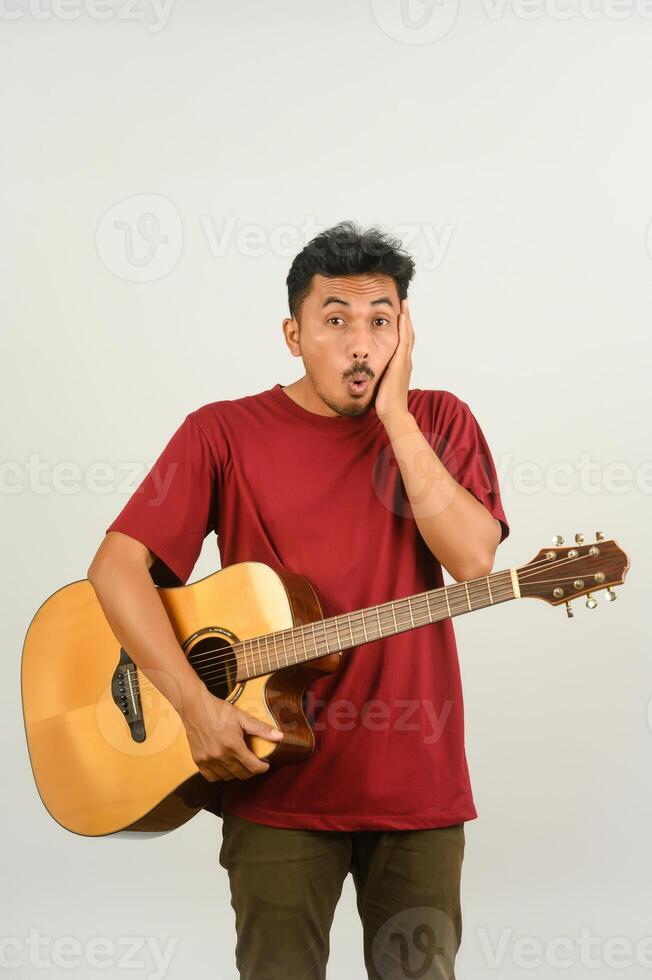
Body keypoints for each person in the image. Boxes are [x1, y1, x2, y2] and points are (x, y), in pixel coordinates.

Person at [87, 220, 509, 980]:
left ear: (405, 331)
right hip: (273, 784)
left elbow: (473, 558)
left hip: (417, 787)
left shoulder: (439, 421)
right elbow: (117, 569)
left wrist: (397, 416)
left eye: (381, 321)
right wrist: (191, 702)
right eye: (336, 320)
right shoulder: (221, 433)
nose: (361, 343)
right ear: (294, 332)